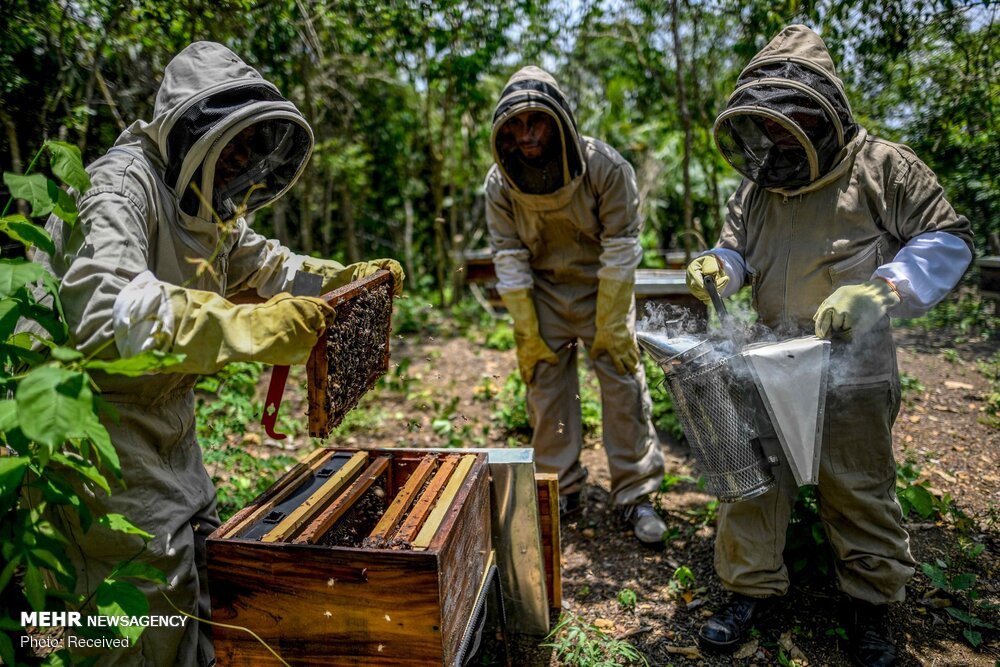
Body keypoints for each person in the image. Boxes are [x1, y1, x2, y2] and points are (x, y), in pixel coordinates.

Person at [30, 41, 404, 666]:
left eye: (250, 149)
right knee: (129, 610)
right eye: (232, 146)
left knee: (200, 572)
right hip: (89, 428)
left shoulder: (207, 204)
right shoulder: (118, 189)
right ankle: (42, 645)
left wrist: (339, 281)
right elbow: (102, 314)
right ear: (190, 130)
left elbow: (266, 265)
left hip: (165, 422)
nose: (241, 163)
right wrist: (251, 330)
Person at [685, 25, 973, 665]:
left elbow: (947, 241)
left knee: (858, 487)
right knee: (753, 484)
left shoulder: (884, 167)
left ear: (825, 113)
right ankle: (748, 592)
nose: (780, 138)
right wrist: (719, 264)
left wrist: (881, 291)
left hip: (855, 370)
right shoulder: (757, 187)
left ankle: (872, 609)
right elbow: (737, 250)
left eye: (794, 122)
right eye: (770, 125)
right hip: (764, 363)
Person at [484, 66, 667, 545]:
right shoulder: (499, 184)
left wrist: (611, 322)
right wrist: (526, 329)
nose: (526, 136)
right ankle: (557, 489)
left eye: (536, 123)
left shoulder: (606, 166)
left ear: (560, 122)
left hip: (602, 286)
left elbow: (623, 246)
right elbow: (508, 255)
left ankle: (635, 494)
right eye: (516, 126)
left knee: (623, 380)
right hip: (541, 292)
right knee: (546, 388)